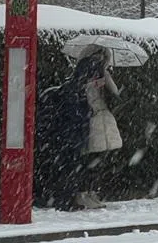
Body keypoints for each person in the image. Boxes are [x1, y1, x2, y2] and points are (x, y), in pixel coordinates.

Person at [35, 57, 94, 211]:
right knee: (67, 169)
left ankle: (62, 198)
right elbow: (75, 115)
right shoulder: (74, 90)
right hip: (68, 137)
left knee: (64, 169)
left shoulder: (72, 88)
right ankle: (65, 200)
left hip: (65, 137)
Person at [78, 47, 122, 209]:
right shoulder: (91, 74)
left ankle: (90, 192)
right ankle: (86, 192)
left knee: (96, 159)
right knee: (93, 159)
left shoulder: (93, 74)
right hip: (95, 118)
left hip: (98, 118)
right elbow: (112, 93)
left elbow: (113, 94)